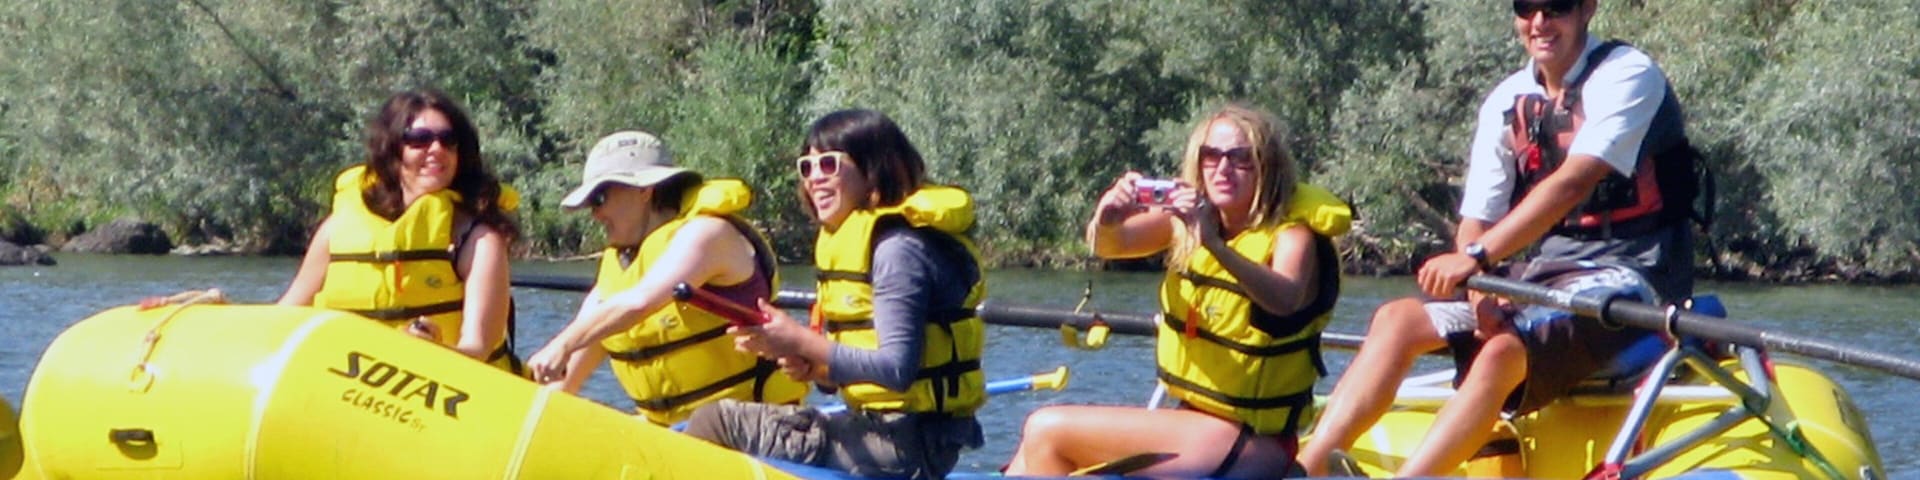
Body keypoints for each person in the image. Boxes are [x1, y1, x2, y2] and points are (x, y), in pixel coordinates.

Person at [1297, 0, 1700, 475]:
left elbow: (1573, 182)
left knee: (1503, 349)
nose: (1540, 22)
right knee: (1396, 319)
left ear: (1587, 9)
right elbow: (1477, 219)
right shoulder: (1507, 99)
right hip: (1545, 272)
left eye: (1557, 8)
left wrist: (1477, 259)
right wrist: (1478, 289)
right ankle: (1306, 468)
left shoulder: (1628, 75)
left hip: (1635, 275)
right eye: (1527, 8)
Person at [1003, 104, 1352, 479]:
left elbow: (1285, 298)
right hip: (1194, 425)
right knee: (1025, 457)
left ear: (1268, 166)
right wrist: (1107, 219)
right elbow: (1111, 246)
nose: (1223, 169)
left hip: (1252, 440)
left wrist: (1215, 246)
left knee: (1046, 428)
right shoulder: (1184, 220)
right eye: (1211, 156)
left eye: (1240, 158)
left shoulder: (1292, 235)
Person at [681, 109, 987, 480]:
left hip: (906, 448)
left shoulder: (896, 250)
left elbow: (896, 370)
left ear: (874, 168)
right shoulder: (861, 241)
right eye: (806, 167)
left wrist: (800, 340)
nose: (814, 178)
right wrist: (813, 366)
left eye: (829, 164)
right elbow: (851, 377)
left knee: (717, 421)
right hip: (886, 432)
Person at [523, 130, 808, 426]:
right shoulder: (620, 271)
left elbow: (640, 302)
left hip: (757, 429)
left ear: (644, 190)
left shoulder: (707, 234)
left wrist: (561, 344)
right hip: (680, 438)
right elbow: (565, 383)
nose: (595, 213)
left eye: (600, 197)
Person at [279, 88, 524, 374]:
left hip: (445, 397)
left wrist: (432, 349)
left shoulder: (480, 239)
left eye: (448, 140)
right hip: (348, 386)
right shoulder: (338, 227)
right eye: (419, 140)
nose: (436, 150)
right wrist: (222, 311)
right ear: (393, 148)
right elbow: (286, 315)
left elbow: (477, 349)